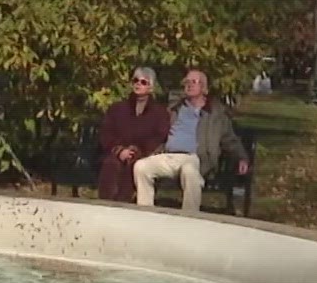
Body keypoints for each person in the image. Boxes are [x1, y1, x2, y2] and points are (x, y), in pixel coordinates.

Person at [134, 68, 249, 213]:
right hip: (169, 155)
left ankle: (189, 216)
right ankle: (145, 213)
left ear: (204, 88)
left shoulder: (215, 115)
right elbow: (157, 130)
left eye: (194, 82)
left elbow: (230, 139)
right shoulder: (175, 108)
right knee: (141, 166)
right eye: (187, 82)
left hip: (194, 158)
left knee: (190, 171)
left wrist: (242, 157)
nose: (189, 85)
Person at [96, 66, 170, 203]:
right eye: (135, 80)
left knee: (135, 167)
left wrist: (136, 151)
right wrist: (120, 151)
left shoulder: (160, 113)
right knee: (110, 165)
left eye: (144, 82)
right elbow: (106, 133)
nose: (138, 84)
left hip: (143, 155)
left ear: (151, 87)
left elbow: (159, 137)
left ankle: (124, 207)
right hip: (116, 153)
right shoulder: (117, 109)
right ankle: (104, 205)